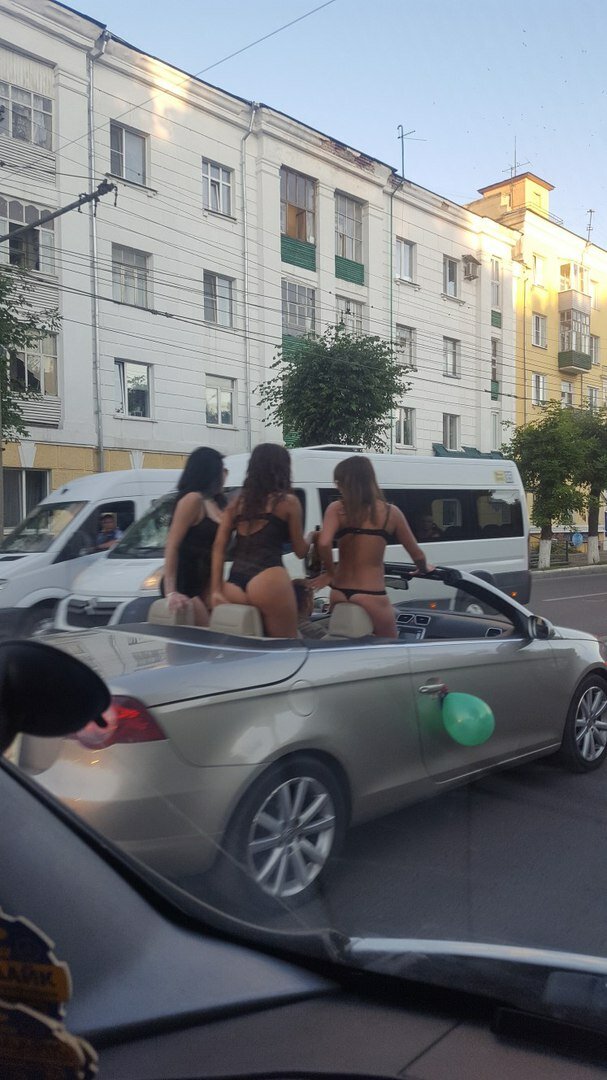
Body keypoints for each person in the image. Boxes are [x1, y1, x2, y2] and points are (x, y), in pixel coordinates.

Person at [317, 455, 433, 639]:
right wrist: (423, 568)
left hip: (338, 593)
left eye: (339, 482)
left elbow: (324, 543)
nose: (337, 487)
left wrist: (330, 573)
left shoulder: (336, 509)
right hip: (371, 594)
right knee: (390, 645)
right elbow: (417, 555)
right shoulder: (391, 513)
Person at [211, 443, 312, 638]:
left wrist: (216, 589)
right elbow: (300, 551)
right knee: (285, 646)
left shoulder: (236, 503)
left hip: (234, 583)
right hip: (269, 580)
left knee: (246, 647)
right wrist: (311, 538)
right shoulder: (288, 502)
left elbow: (218, 546)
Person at [162, 446, 227, 627]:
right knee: (207, 636)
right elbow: (172, 545)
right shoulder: (193, 500)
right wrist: (171, 591)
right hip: (185, 583)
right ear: (210, 473)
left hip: (207, 582)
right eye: (222, 470)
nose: (225, 475)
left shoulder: (218, 502)